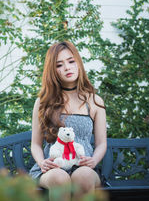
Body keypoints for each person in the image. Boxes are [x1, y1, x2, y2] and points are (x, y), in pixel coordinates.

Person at [29, 41, 107, 200]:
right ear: (53, 70)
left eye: (71, 61)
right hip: (52, 169)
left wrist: (93, 161)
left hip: (84, 166)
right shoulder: (43, 102)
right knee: (60, 179)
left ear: (78, 62)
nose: (67, 67)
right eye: (59, 65)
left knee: (83, 177)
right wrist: (42, 162)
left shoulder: (94, 101)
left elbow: (102, 143)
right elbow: (35, 144)